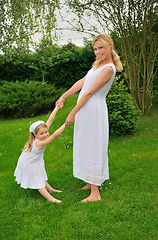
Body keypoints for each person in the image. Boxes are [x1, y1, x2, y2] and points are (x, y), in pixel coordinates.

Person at [56, 34, 123, 202]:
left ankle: (95, 194)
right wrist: (64, 96)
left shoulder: (108, 68)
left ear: (109, 46)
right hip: (86, 108)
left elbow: (89, 92)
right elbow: (82, 83)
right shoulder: (98, 65)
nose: (97, 51)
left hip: (93, 109)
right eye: (95, 48)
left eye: (100, 48)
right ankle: (89, 181)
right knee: (85, 143)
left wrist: (73, 112)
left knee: (93, 145)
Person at [14, 105, 65, 203]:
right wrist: (65, 124)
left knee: (41, 173)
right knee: (38, 182)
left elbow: (49, 121)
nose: (45, 135)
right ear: (35, 134)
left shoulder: (40, 135)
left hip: (34, 160)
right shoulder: (39, 143)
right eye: (42, 133)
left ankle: (50, 189)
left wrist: (57, 108)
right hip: (28, 163)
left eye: (46, 132)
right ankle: (51, 199)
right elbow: (53, 136)